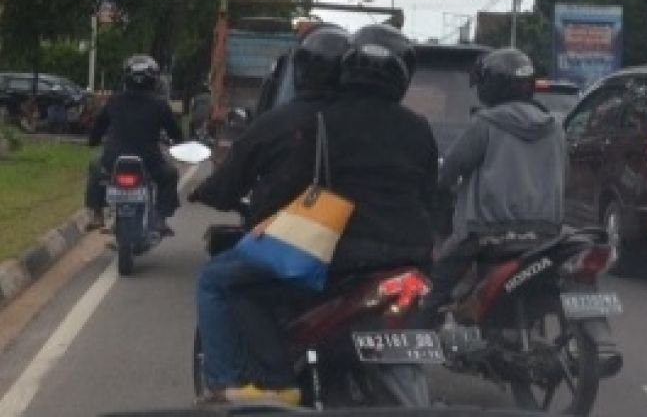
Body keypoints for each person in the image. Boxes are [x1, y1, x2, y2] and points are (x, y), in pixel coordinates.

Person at [196, 24, 439, 406]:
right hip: (411, 258)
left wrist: (265, 221)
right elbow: (430, 194)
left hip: (341, 258)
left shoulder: (323, 122)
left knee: (231, 284)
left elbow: (291, 189)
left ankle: (271, 383)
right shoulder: (419, 128)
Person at [413, 48, 567, 328]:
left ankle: (411, 346)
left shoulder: (486, 123)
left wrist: (438, 191)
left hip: (488, 234)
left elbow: (451, 169)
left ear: (491, 84)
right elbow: (564, 175)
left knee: (435, 285)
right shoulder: (554, 127)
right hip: (546, 235)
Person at [189, 24, 349, 224]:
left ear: (301, 70)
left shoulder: (275, 122)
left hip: (278, 233)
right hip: (359, 242)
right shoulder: (376, 127)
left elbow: (231, 179)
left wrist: (206, 192)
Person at [84, 55, 183, 232]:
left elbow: (99, 126)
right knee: (170, 174)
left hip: (113, 159)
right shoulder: (160, 105)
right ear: (154, 80)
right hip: (149, 161)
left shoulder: (114, 101)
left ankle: (97, 215)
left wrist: (93, 141)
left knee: (95, 167)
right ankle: (161, 218)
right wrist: (179, 141)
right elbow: (174, 132)